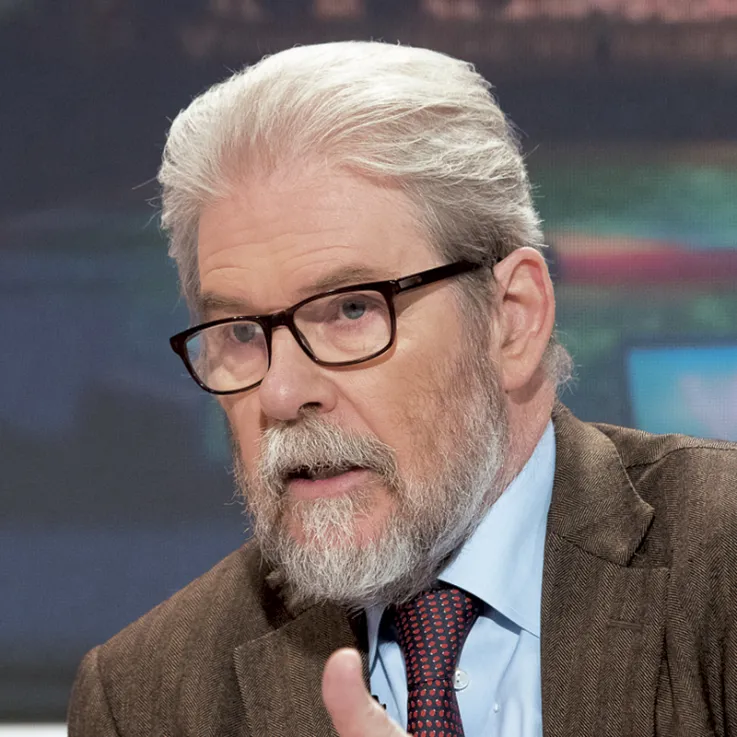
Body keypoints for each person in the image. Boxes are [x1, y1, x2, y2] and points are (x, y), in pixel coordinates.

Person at [68, 41, 737, 737]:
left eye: (351, 309)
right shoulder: (144, 700)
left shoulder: (721, 558)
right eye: (240, 332)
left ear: (511, 319)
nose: (281, 393)